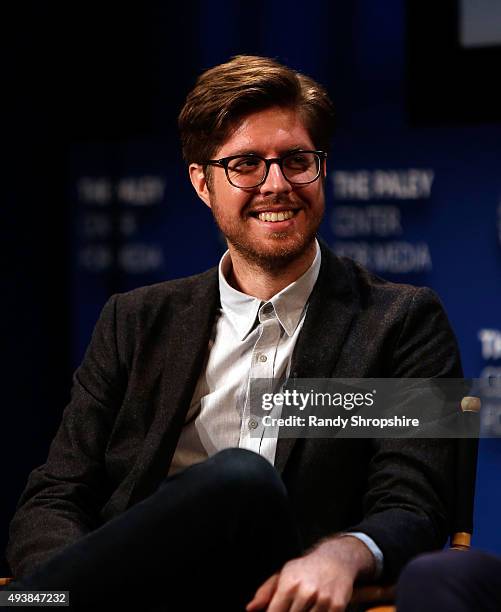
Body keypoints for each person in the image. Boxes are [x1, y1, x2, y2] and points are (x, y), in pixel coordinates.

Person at [5, 55, 462, 611]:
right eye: (246, 164)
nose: (277, 184)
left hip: (276, 596)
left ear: (323, 168)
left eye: (297, 160)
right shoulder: (134, 320)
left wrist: (341, 554)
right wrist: (66, 587)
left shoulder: (403, 322)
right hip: (134, 597)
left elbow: (415, 504)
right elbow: (55, 496)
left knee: (241, 481)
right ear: (202, 182)